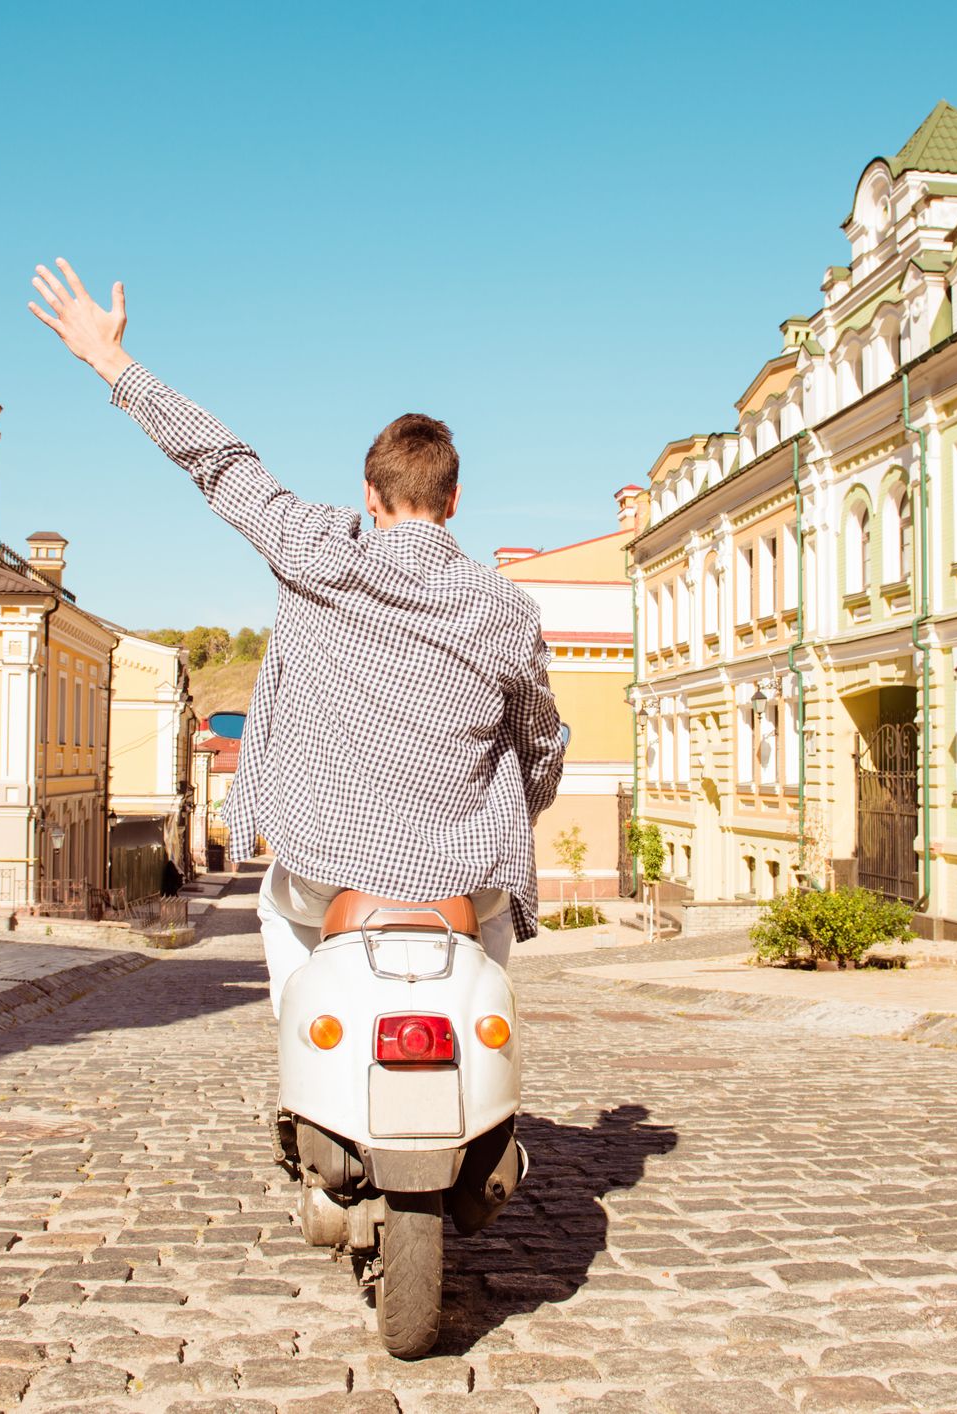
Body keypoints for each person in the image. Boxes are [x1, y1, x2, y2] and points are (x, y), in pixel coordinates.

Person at [29, 260, 565, 1014]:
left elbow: (219, 462)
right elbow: (541, 746)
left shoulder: (311, 546)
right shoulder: (506, 607)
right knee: (492, 943)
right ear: (454, 500)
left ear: (369, 493)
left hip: (327, 864)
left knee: (277, 909)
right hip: (462, 877)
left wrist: (110, 358)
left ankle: (303, 1048)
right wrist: (515, 811)